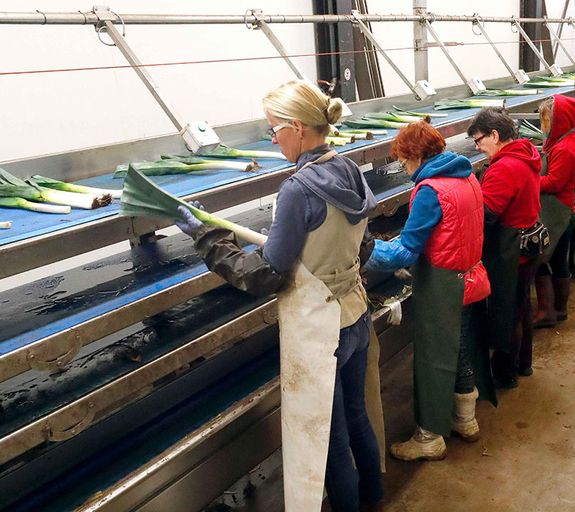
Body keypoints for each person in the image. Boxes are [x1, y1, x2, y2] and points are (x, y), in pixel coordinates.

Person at [175, 80, 383, 512]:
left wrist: (207, 238)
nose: (273, 139)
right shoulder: (350, 170)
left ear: (298, 128)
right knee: (358, 417)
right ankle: (375, 499)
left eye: (274, 130)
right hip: (357, 314)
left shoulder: (297, 188)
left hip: (322, 332)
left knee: (330, 440)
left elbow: (268, 275)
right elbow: (361, 245)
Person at [365, 121, 492, 461]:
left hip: (442, 287)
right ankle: (466, 420)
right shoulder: (467, 176)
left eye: (404, 161)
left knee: (433, 360)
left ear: (417, 155)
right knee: (461, 347)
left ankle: (429, 436)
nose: (404, 169)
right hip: (470, 275)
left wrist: (362, 252)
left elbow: (406, 252)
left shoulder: (429, 190)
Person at [467, 108, 543, 389]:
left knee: (506, 309)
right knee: (521, 304)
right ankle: (523, 363)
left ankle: (504, 372)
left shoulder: (504, 167)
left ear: (495, 135)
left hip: (511, 248)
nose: (478, 147)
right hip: (529, 241)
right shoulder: (525, 154)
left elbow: (487, 214)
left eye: (479, 140)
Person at [533, 95, 575, 327]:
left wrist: (529, 180)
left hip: (558, 210)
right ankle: (556, 308)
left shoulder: (564, 148)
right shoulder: (563, 139)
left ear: (558, 121)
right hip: (563, 206)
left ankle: (550, 311)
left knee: (544, 258)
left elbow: (554, 182)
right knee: (557, 258)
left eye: (545, 121)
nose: (542, 126)